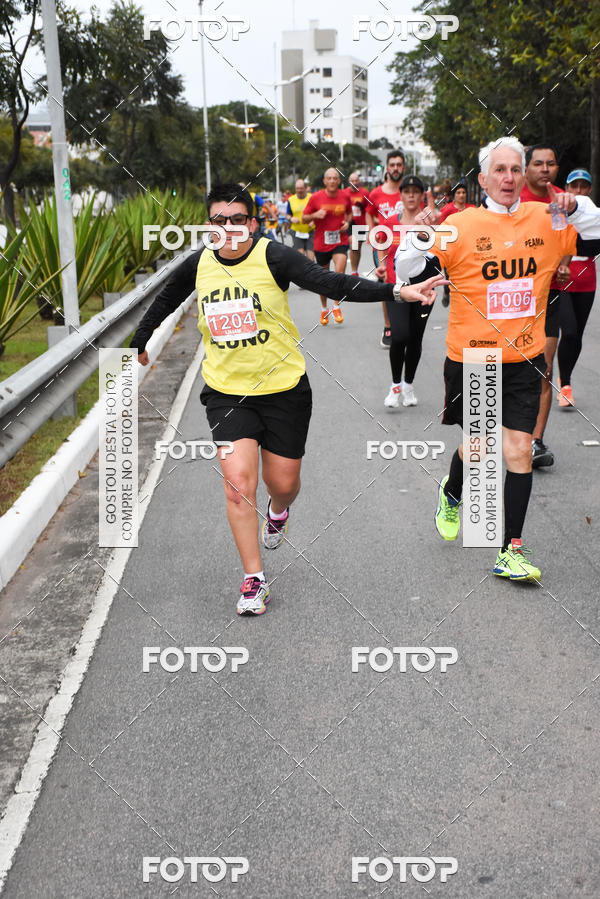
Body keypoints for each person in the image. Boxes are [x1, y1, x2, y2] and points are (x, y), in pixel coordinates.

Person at [130, 182, 445, 615]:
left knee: (283, 484)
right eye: (219, 221)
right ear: (209, 225)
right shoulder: (199, 263)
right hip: (226, 393)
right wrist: (140, 338)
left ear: (253, 224)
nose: (228, 229)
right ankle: (253, 580)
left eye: (237, 220)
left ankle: (279, 511)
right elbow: (167, 295)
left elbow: (332, 281)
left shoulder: (273, 256)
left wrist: (396, 292)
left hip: (284, 392)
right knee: (239, 486)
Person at [395, 137, 600, 583]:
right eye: (499, 170)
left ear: (524, 174)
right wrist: (419, 235)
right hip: (475, 358)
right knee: (481, 450)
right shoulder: (460, 223)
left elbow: (595, 234)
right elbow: (406, 268)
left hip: (525, 357)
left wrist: (575, 206)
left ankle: (510, 550)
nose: (508, 178)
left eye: (515, 169)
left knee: (520, 450)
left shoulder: (547, 216)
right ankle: (453, 493)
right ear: (484, 177)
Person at [520, 145, 572, 468]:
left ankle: (535, 443)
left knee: (543, 370)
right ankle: (512, 434)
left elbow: (564, 239)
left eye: (550, 164)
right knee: (511, 368)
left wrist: (564, 263)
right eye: (537, 163)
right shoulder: (514, 197)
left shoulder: (557, 201)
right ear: (526, 168)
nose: (544, 169)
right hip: (516, 297)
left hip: (549, 293)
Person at [376, 175, 437, 408]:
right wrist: (381, 265)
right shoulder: (391, 223)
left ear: (422, 195)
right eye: (407, 191)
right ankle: (395, 385)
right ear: (400, 195)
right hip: (397, 288)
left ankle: (409, 384)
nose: (411, 195)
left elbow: (440, 254)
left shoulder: (431, 223)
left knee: (415, 338)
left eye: (415, 191)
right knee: (399, 336)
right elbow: (381, 245)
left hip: (424, 289)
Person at [557, 169, 596, 408]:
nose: (579, 191)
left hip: (586, 278)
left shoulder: (592, 213)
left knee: (577, 335)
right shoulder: (557, 212)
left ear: (588, 189)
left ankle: (565, 376)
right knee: (568, 331)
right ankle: (566, 386)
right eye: (575, 186)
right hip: (561, 278)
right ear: (567, 188)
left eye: (583, 187)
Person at [302, 168, 352, 325]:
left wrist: (347, 222)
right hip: (321, 243)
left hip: (340, 240)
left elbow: (349, 213)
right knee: (323, 278)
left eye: (335, 178)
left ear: (338, 181)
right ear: (324, 181)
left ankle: (336, 305)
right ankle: (324, 309)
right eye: (329, 178)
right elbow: (304, 218)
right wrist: (315, 215)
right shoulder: (316, 198)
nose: (332, 181)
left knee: (340, 270)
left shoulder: (345, 196)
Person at [367, 149, 406, 348]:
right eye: (392, 165)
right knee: (386, 284)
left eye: (399, 165)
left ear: (403, 167)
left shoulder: (409, 191)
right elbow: (369, 212)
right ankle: (388, 326)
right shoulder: (377, 193)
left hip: (407, 247)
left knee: (406, 284)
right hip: (383, 246)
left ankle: (406, 323)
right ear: (387, 167)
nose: (396, 168)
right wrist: (372, 233)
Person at [438, 183, 475, 306]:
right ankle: (447, 291)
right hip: (450, 247)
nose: (461, 195)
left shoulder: (473, 209)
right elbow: (440, 228)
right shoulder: (447, 210)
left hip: (467, 248)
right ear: (454, 195)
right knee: (449, 275)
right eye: (458, 193)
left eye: (463, 193)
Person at [344, 171, 370, 275]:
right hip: (350, 222)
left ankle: (355, 269)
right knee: (353, 243)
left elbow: (370, 208)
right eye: (352, 181)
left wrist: (362, 206)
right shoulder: (345, 193)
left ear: (359, 181)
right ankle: (353, 271)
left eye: (356, 180)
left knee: (357, 247)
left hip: (361, 223)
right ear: (349, 182)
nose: (354, 182)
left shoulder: (365, 193)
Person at [286, 179, 315, 261]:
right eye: (297, 188)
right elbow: (287, 215)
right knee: (300, 257)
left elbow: (317, 213)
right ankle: (302, 274)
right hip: (297, 231)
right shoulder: (291, 199)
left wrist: (313, 221)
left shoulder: (312, 197)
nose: (299, 190)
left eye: (301, 188)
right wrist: (291, 218)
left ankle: (311, 273)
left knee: (311, 259)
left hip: (310, 231)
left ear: (305, 188)